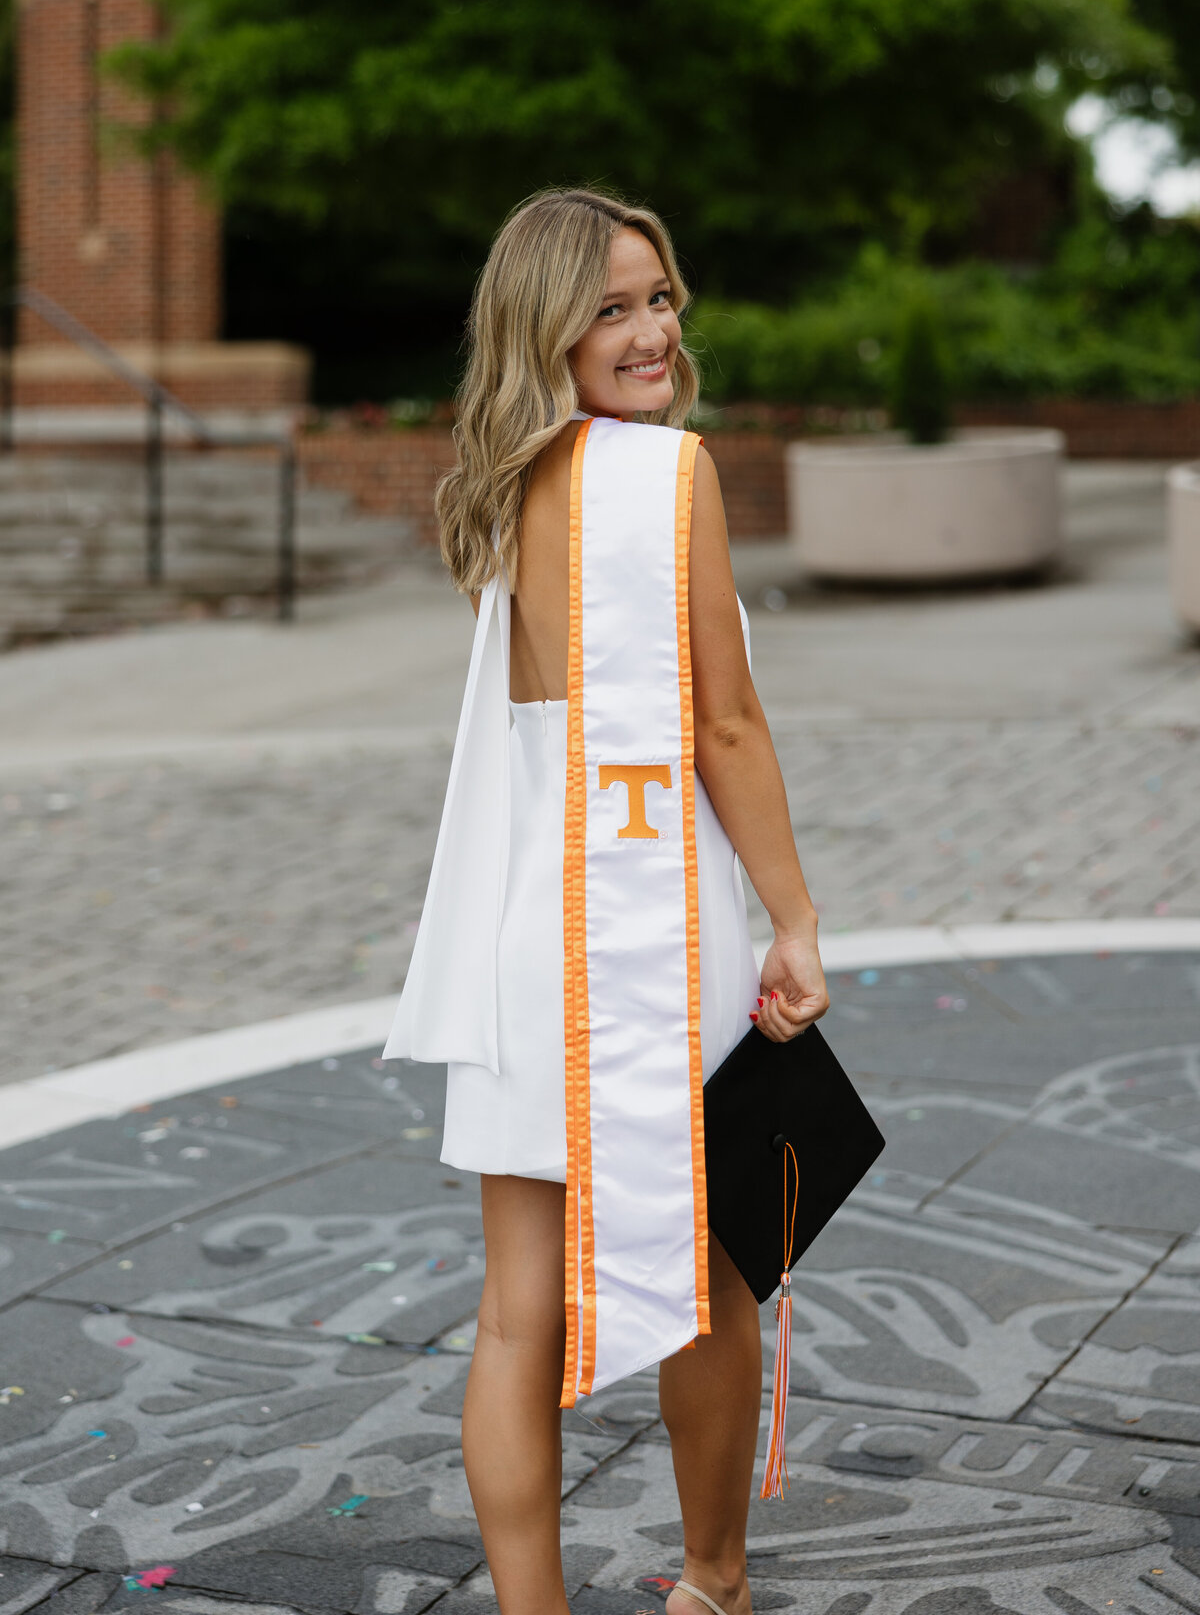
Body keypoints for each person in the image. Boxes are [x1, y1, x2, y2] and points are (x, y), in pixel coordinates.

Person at [383, 188, 829, 1615]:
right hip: (649, 925)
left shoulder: (500, 479)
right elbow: (728, 725)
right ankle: (712, 1582)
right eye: (612, 307)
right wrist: (795, 918)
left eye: (661, 297)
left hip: (527, 936)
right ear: (547, 328)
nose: (652, 331)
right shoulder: (667, 476)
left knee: (519, 1309)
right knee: (710, 1269)